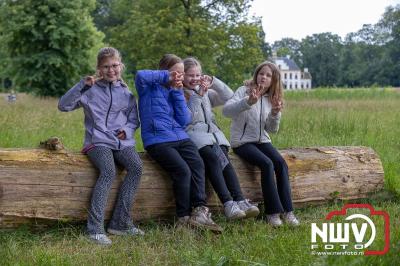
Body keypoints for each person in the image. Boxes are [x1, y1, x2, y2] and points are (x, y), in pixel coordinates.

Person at [58, 47, 144, 245]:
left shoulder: (126, 92)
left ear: (121, 66)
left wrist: (127, 131)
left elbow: (133, 119)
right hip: (97, 142)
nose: (111, 70)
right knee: (108, 171)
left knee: (137, 168)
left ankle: (120, 223)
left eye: (114, 65)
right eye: (106, 67)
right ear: (98, 68)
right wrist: (82, 85)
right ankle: (95, 230)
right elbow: (63, 106)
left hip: (122, 142)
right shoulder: (90, 90)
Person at [135, 54, 222, 233]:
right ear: (164, 70)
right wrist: (167, 76)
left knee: (197, 163)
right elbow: (140, 75)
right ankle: (183, 219)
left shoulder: (176, 90)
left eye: (182, 73)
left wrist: (176, 92)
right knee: (182, 170)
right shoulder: (148, 87)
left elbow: (184, 119)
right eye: (176, 72)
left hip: (179, 136)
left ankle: (199, 210)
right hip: (157, 139)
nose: (180, 76)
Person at [222, 61, 299, 227]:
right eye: (261, 73)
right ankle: (272, 214)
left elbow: (272, 129)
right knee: (267, 163)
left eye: (268, 75)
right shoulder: (243, 91)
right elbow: (226, 111)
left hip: (262, 141)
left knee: (281, 164)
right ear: (256, 74)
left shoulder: (271, 98)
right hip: (242, 142)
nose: (263, 77)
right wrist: (247, 102)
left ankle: (288, 211)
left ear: (273, 80)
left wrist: (275, 113)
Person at [182, 57, 259, 220]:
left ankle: (239, 200)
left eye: (198, 75)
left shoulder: (206, 93)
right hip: (195, 137)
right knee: (213, 160)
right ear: (182, 75)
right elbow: (187, 118)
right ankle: (228, 203)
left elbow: (229, 96)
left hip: (214, 137)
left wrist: (214, 82)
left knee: (225, 162)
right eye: (190, 75)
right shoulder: (179, 94)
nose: (195, 79)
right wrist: (198, 95)